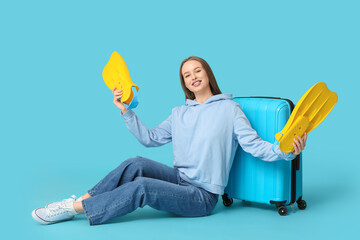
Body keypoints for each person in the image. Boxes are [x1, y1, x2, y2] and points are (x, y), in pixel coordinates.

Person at [32, 56, 307, 225]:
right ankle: (80, 200)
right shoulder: (179, 113)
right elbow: (149, 140)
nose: (193, 77)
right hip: (179, 179)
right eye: (187, 75)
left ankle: (72, 208)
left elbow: (254, 145)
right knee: (135, 164)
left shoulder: (230, 109)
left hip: (202, 196)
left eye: (197, 71)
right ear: (184, 83)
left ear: (207, 74)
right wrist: (126, 111)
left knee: (142, 187)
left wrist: (286, 152)